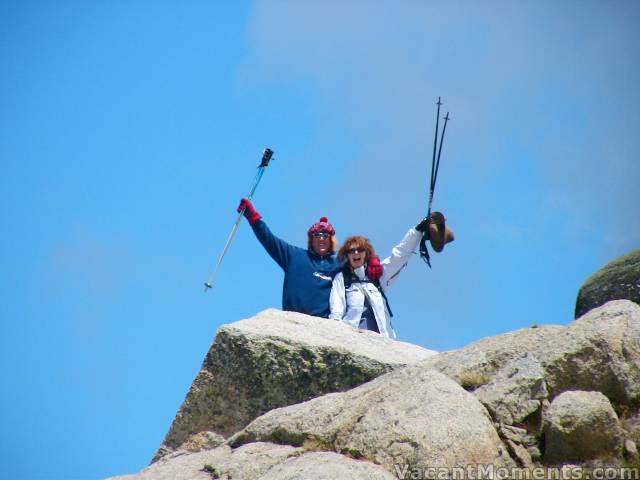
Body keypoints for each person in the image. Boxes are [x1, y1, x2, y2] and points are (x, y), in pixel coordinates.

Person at [237, 197, 383, 318]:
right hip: (291, 320)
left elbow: (358, 258)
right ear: (311, 240)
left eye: (325, 236)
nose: (321, 239)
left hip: (322, 325)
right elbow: (269, 240)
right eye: (317, 236)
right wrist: (254, 218)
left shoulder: (339, 262)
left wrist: (373, 259)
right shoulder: (294, 256)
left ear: (331, 240)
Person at [329, 212, 454, 339]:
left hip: (382, 341)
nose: (356, 253)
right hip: (353, 340)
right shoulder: (342, 279)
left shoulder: (375, 277)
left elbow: (399, 255)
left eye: (360, 249)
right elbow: (336, 309)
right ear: (347, 255)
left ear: (366, 253)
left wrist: (417, 230)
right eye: (351, 251)